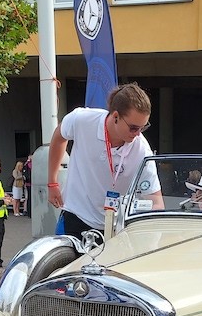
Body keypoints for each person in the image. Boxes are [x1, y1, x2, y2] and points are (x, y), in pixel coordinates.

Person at [47, 82, 164, 237]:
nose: (138, 134)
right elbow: (59, 136)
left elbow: (156, 199)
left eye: (143, 127)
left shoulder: (142, 150)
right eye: (134, 128)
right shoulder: (82, 119)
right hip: (76, 215)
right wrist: (52, 182)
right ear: (115, 116)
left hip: (117, 228)